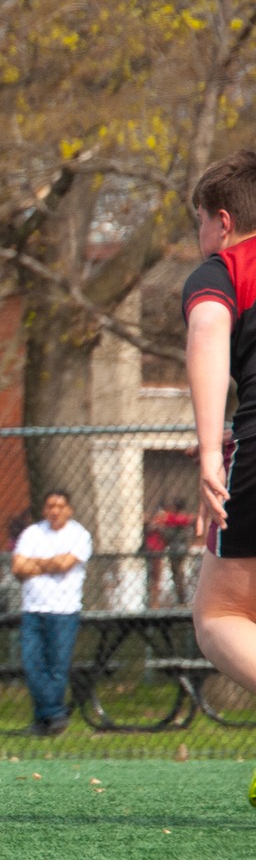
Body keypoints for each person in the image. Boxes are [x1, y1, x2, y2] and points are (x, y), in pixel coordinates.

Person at [179, 149, 256, 803]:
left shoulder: (225, 268)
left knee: (220, 614)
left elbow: (207, 328)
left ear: (223, 222)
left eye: (199, 223)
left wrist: (209, 449)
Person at [11, 489, 92, 735]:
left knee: (57, 666)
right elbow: (17, 567)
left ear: (69, 509)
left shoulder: (79, 534)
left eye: (60, 506)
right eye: (50, 506)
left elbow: (66, 563)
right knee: (32, 664)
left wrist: (35, 563)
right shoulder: (32, 533)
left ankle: (45, 720)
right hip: (32, 609)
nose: (54, 511)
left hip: (64, 611)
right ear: (44, 509)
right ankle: (54, 715)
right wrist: (52, 563)